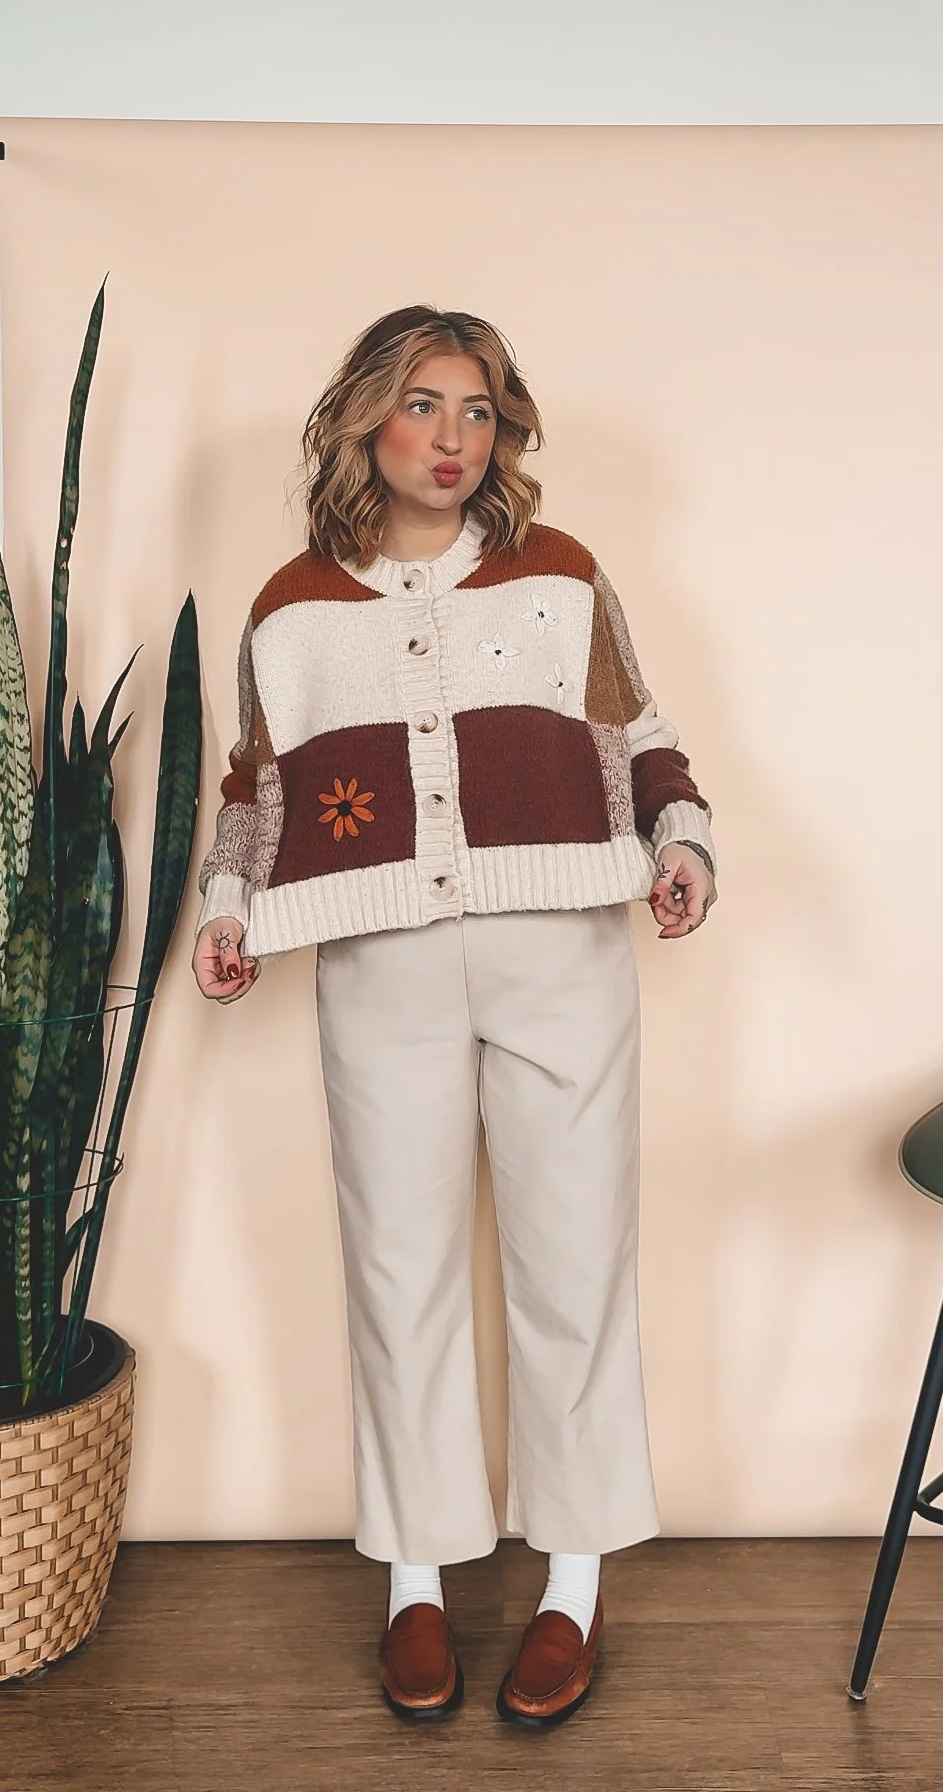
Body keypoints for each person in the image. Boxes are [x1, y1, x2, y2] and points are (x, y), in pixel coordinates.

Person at [191, 305, 717, 1728]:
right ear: (367, 417)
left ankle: (572, 1590)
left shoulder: (558, 576)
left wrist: (680, 838)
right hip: (379, 959)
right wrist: (226, 912)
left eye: (476, 411)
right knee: (400, 1269)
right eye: (423, 407)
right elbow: (257, 784)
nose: (450, 438)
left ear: (503, 429)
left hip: (559, 948)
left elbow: (634, 726)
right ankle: (415, 1581)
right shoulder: (292, 603)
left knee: (572, 1266)